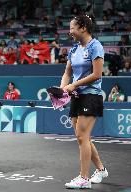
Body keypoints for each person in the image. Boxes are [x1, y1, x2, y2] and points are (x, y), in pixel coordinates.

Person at [60, 15, 108, 189]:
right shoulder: (73, 50)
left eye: (72, 28)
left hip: (91, 96)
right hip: (77, 97)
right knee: (83, 138)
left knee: (82, 137)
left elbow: (97, 75)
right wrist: (62, 89)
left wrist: (73, 85)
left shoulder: (96, 46)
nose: (70, 31)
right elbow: (67, 72)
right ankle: (101, 170)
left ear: (83, 28)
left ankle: (84, 178)